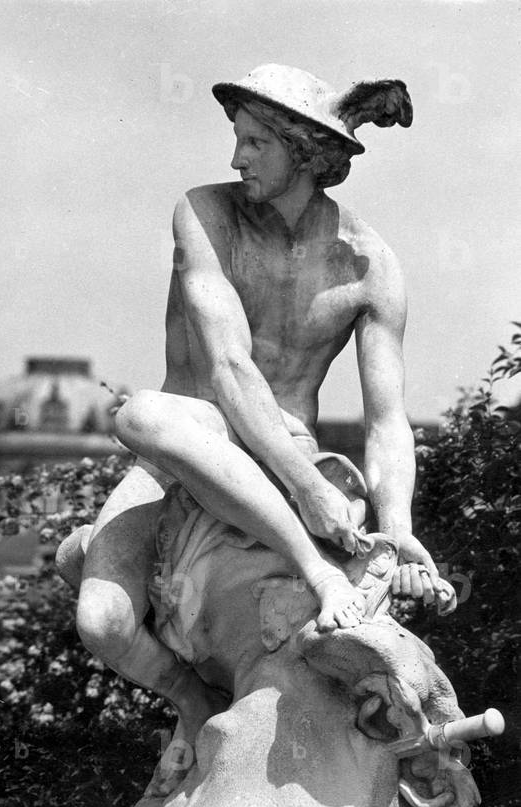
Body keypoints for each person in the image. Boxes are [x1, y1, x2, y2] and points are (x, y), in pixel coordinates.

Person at [58, 64, 455, 763]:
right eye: (236, 139)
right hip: (191, 440)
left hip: (288, 451)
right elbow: (229, 371)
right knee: (102, 615)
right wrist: (309, 490)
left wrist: (398, 533)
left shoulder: (371, 266)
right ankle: (195, 701)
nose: (235, 158)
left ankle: (327, 579)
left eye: (254, 143)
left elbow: (386, 423)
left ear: (305, 152)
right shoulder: (205, 212)